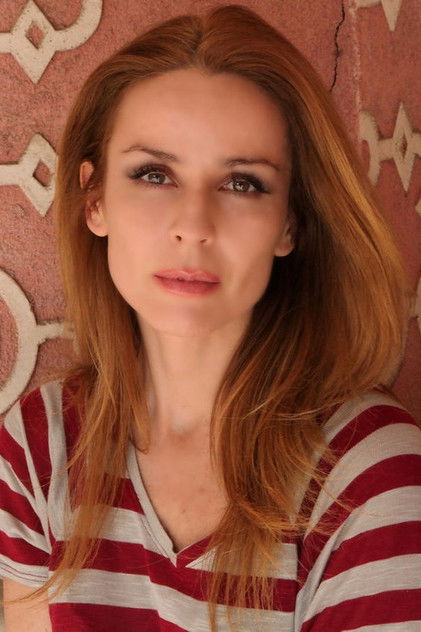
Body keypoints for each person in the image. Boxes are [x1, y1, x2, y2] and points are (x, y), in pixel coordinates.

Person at [1, 4, 420, 631]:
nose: (194, 226)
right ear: (95, 200)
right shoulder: (40, 446)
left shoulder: (370, 476)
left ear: (289, 224)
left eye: (242, 183)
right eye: (154, 174)